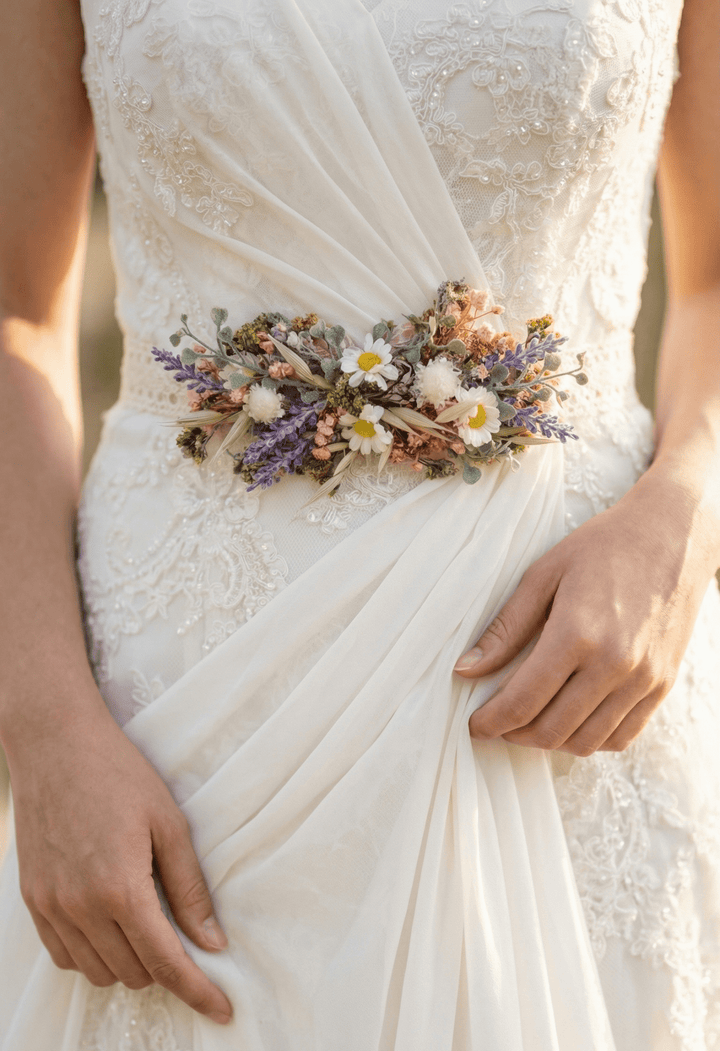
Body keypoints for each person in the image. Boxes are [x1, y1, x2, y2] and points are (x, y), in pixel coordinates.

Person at [0, 0, 719, 1047]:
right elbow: (15, 309)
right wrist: (41, 723)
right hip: (184, 713)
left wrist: (689, 514)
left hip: (574, 675)